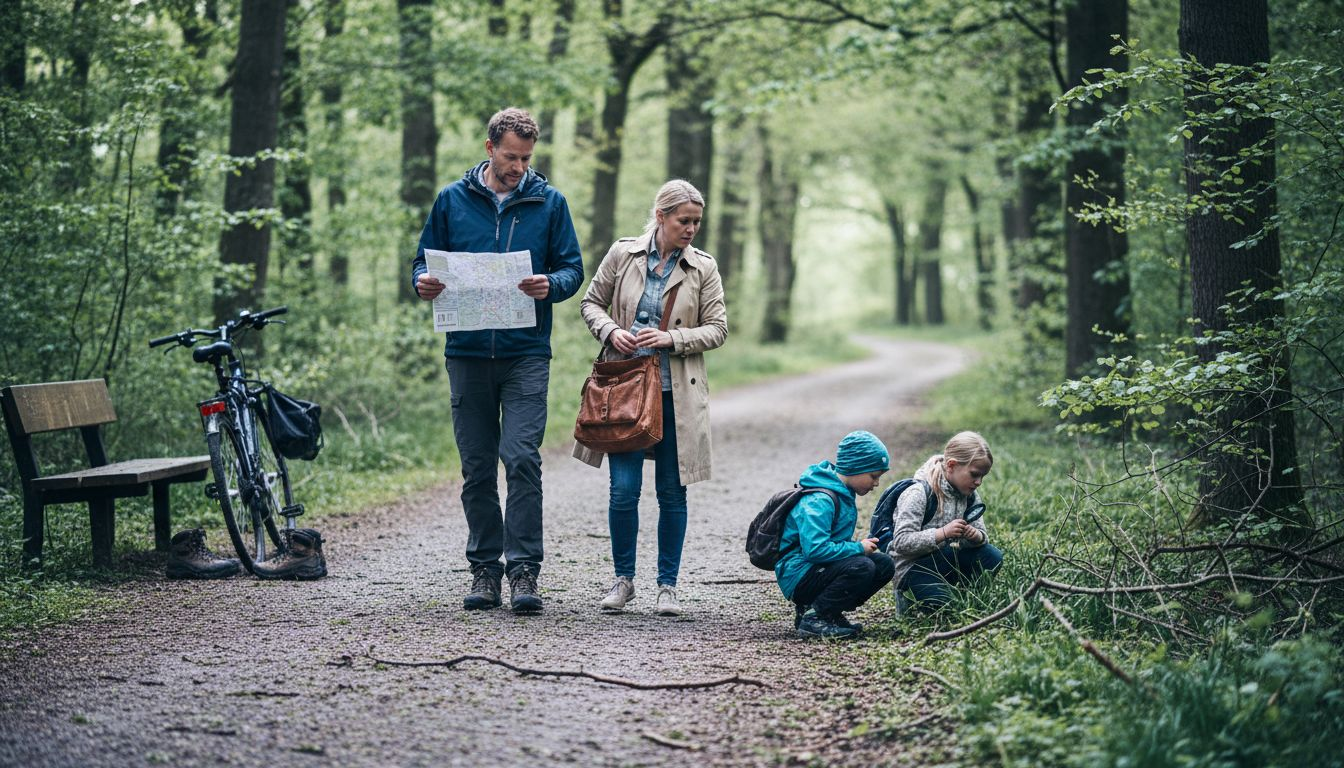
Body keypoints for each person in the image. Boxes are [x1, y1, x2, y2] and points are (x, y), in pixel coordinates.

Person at [411, 107, 584, 614]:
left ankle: (524, 570)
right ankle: (485, 569)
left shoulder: (550, 203)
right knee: (477, 467)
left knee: (522, 458)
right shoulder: (452, 200)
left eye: (526, 158)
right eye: (510, 157)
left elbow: (572, 269)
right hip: (466, 353)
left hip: (526, 353)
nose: (518, 167)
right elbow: (422, 260)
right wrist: (422, 282)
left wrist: (551, 284)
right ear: (490, 149)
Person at [574, 179, 728, 617]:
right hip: (623, 393)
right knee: (623, 491)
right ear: (661, 217)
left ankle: (667, 586)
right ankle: (623, 581)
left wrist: (672, 338)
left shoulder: (703, 267)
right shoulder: (623, 254)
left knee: (672, 493)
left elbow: (718, 328)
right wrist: (611, 331)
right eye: (684, 221)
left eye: (697, 222)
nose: (691, 229)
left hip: (677, 396)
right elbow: (591, 303)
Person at [776, 430, 896, 639]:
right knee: (862, 565)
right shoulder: (820, 501)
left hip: (816, 569)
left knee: (883, 564)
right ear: (856, 468)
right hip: (799, 574)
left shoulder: (843, 494)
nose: (876, 483)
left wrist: (861, 548)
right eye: (873, 476)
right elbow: (815, 550)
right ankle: (815, 617)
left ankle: (828, 612)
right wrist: (858, 548)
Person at [888, 431, 1003, 612]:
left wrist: (975, 536)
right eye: (974, 474)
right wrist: (942, 533)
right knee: (946, 605)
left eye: (983, 476)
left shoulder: (970, 495)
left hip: (946, 559)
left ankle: (962, 592)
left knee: (992, 556)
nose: (978, 482)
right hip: (913, 568)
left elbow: (983, 537)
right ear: (951, 465)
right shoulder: (918, 493)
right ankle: (909, 595)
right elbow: (901, 543)